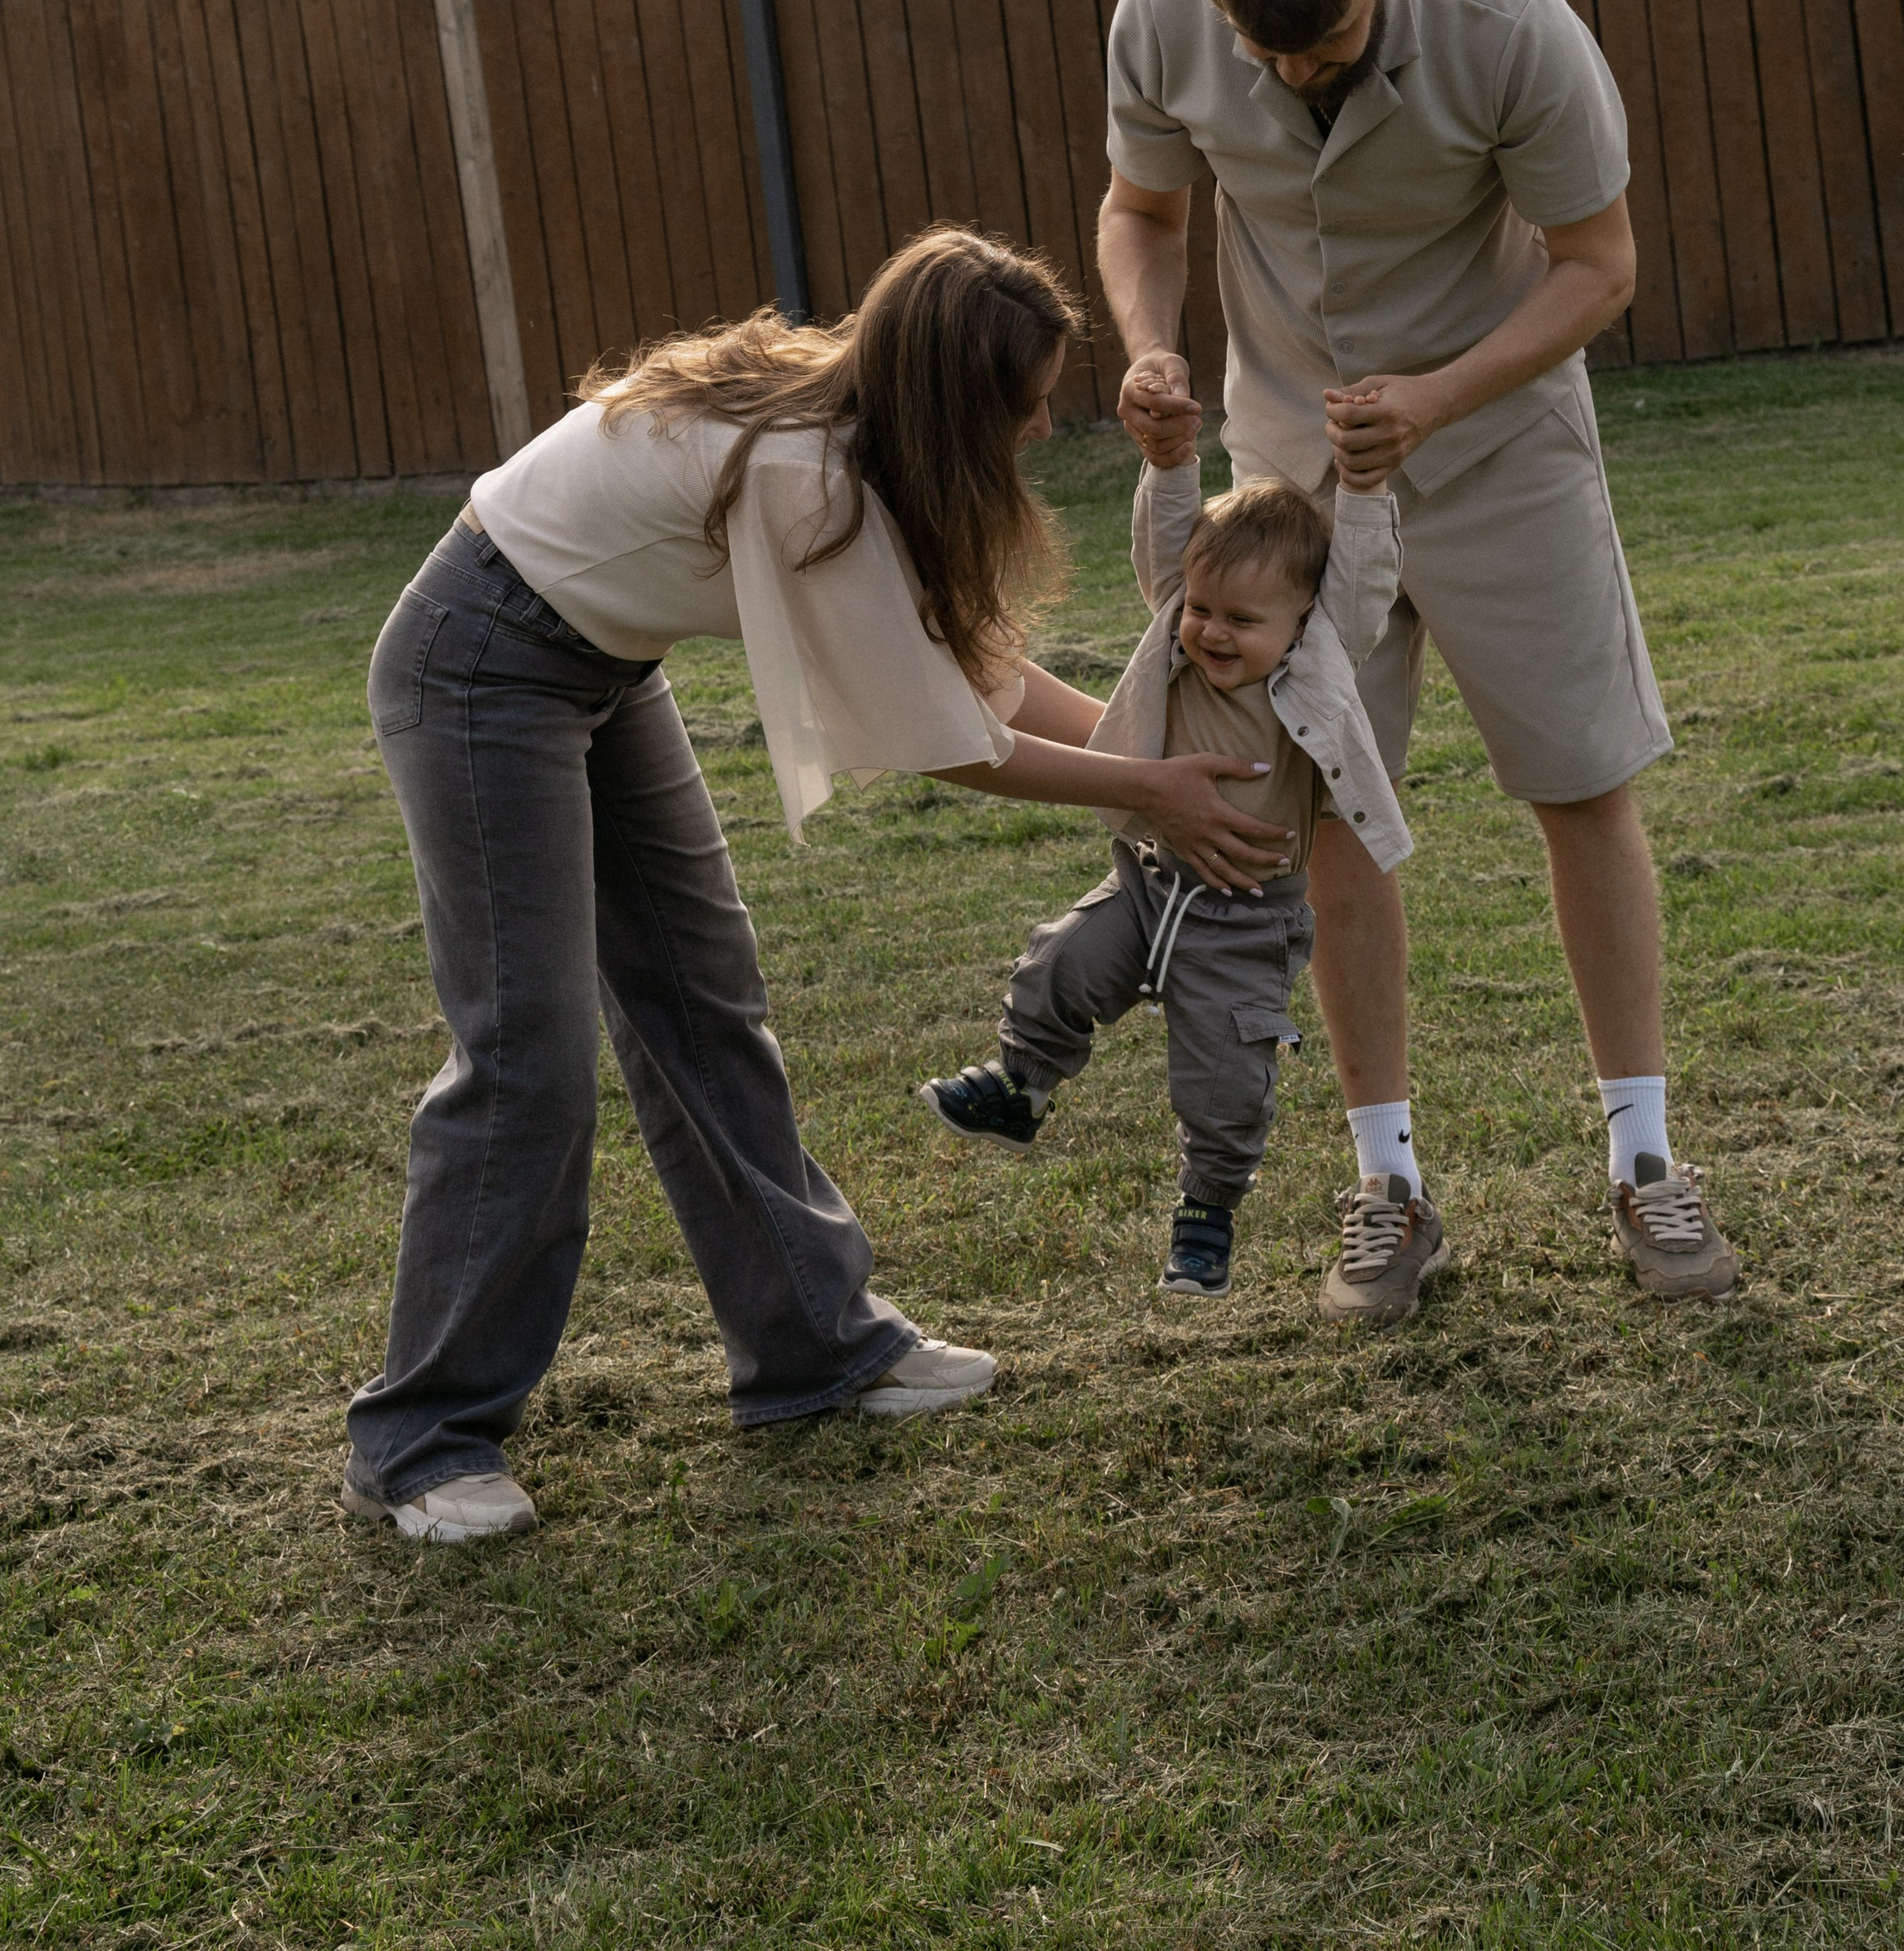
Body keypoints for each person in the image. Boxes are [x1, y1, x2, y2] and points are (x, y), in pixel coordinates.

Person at [342, 228, 1293, 1545]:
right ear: (955, 402)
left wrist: (1164, 751)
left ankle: (812, 1349)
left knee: (701, 996)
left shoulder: (862, 431)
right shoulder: (809, 473)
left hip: (596, 666)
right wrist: (1154, 790)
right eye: (1021, 413)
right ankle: (420, 1439)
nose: (1033, 436)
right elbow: (941, 737)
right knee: (529, 1055)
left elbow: (974, 676)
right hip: (481, 664)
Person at [1098, 0, 1738, 1320]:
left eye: (1317, 44)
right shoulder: (1165, 10)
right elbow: (1141, 209)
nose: (1286, 71)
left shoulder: (1511, 24)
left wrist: (1439, 399)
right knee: (1326, 809)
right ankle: (1387, 1185)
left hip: (1499, 442)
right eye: (1261, 50)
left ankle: (1646, 1163)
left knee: (1580, 780)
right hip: (1289, 482)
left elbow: (1602, 265)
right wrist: (1142, 348)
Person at [918, 454, 1415, 1298]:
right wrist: (1169, 461)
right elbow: (1166, 549)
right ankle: (1020, 1086)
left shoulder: (1320, 663)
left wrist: (1364, 490)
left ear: (1302, 621)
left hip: (1247, 920)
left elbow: (1364, 584)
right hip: (1148, 882)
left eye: (1242, 620)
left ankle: (1206, 1216)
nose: (1213, 633)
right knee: (1058, 965)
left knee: (1224, 1080)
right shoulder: (1175, 647)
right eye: (1202, 609)